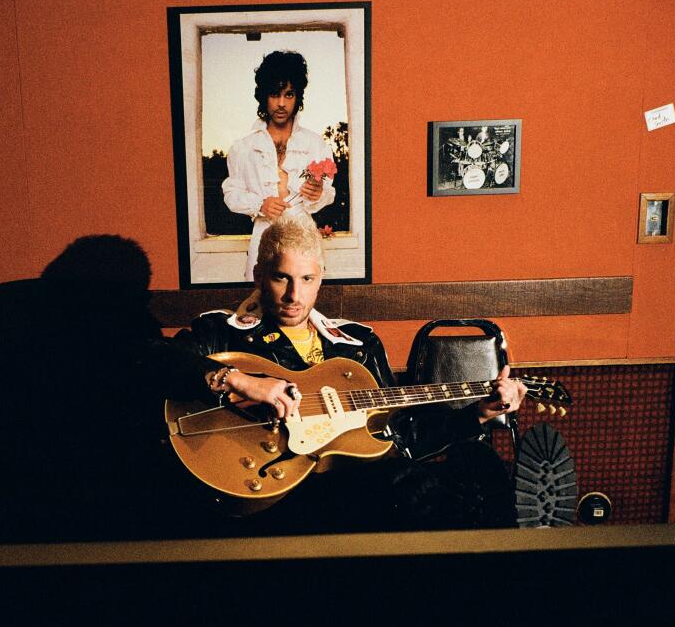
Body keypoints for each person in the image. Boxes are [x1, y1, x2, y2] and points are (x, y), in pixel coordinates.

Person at [168, 217, 527, 533]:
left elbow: (400, 434)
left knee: (478, 468)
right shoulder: (222, 331)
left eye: (307, 279)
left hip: (353, 487)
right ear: (259, 275)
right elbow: (162, 362)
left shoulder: (356, 344)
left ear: (320, 278)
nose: (295, 295)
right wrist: (241, 380)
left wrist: (479, 413)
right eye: (282, 278)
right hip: (271, 486)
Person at [222, 50, 336, 281]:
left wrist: (318, 193)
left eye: (289, 94)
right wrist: (259, 204)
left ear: (298, 97)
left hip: (303, 238)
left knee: (301, 303)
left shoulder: (315, 144)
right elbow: (231, 194)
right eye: (275, 94)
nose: (282, 104)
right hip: (263, 237)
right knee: (262, 304)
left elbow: (329, 193)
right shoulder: (243, 148)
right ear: (263, 96)